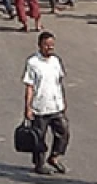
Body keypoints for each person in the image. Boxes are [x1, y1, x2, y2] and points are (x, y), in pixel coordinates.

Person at [23, 31, 69, 175]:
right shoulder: (33, 62)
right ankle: (39, 164)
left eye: (52, 45)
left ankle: (54, 157)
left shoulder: (56, 61)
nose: (49, 48)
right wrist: (28, 107)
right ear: (39, 45)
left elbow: (59, 82)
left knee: (64, 132)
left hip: (56, 106)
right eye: (46, 45)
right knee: (39, 138)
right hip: (40, 107)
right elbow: (29, 86)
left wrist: (63, 100)